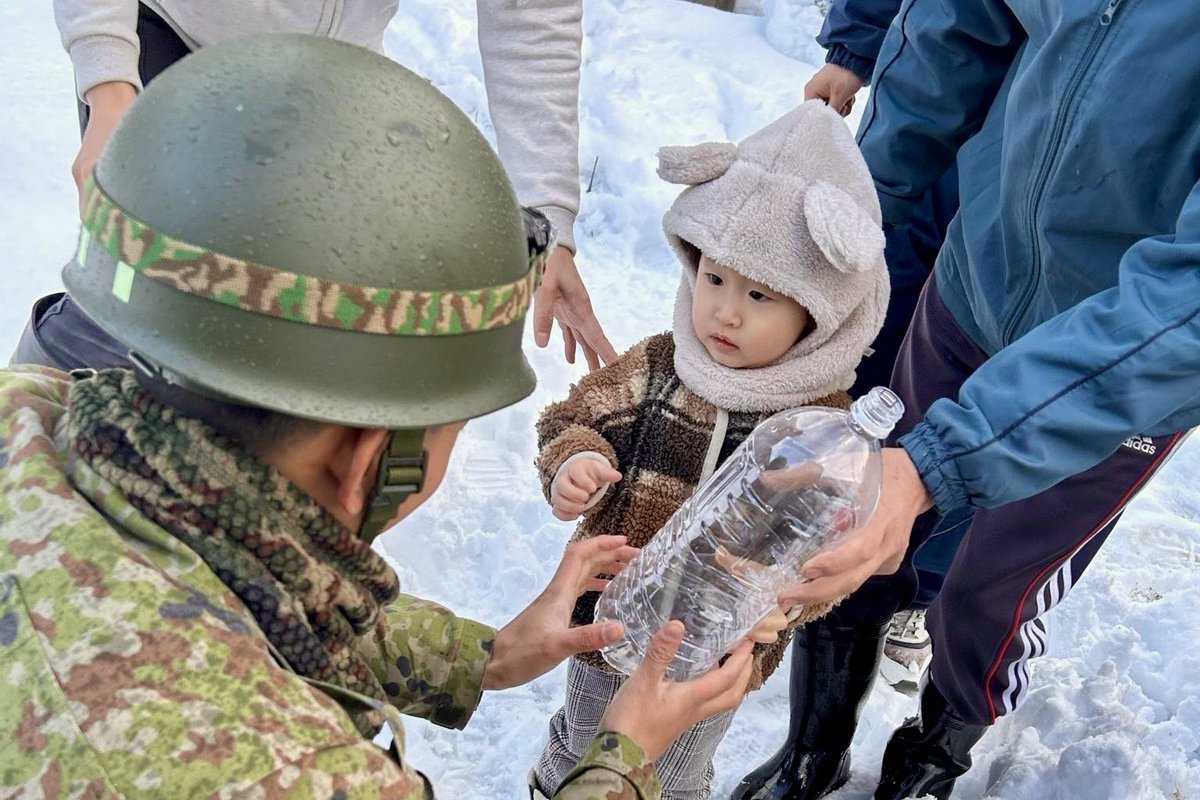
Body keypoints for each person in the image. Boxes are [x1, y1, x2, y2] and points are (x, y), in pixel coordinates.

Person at [0, 36, 773, 799]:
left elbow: (244, 585)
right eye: (451, 423)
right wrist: (624, 759)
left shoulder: (28, 413)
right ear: (371, 455)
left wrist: (484, 657)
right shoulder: (294, 775)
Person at [738, 1, 1200, 798]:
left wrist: (940, 463)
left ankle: (932, 757)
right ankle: (815, 743)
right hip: (972, 286)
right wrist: (860, 214)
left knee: (997, 587)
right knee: (860, 518)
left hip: (1122, 378)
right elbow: (955, 29)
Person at [530, 101, 890, 799]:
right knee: (583, 738)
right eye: (715, 279)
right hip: (608, 622)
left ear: (819, 317)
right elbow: (572, 417)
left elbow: (828, 555)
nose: (726, 311)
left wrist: (791, 603)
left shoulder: (824, 430)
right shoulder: (659, 367)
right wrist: (573, 460)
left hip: (713, 654)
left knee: (676, 770)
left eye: (760, 295)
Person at [24, 0, 614, 371]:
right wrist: (109, 86)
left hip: (332, 72)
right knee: (149, 304)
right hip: (172, 35)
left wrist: (546, 217)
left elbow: (530, 12)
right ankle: (23, 453)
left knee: (295, 322)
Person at [808, 0, 969, 690]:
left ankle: (915, 587)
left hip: (1060, 171)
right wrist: (856, 44)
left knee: (971, 386)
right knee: (870, 328)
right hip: (932, 106)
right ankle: (810, 529)